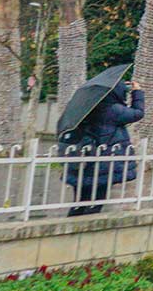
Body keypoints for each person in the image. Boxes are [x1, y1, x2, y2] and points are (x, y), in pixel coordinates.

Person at [62, 79, 144, 216]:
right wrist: (137, 92)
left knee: (79, 201)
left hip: (83, 158)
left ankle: (72, 223)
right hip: (104, 161)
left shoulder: (84, 108)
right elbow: (138, 113)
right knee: (97, 200)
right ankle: (88, 227)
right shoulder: (113, 109)